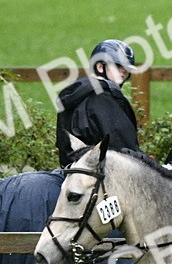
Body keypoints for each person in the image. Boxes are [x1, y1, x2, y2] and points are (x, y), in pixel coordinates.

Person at [55, 39, 141, 168]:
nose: (123, 71)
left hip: (71, 172)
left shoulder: (77, 94)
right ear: (100, 67)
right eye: (117, 66)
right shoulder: (103, 99)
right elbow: (122, 149)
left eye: (126, 68)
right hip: (100, 174)